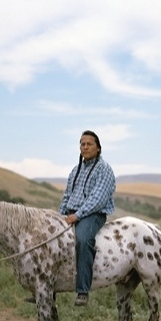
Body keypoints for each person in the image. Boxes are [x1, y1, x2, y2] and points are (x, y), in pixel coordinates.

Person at [59, 130, 116, 306]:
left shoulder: (104, 169)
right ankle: (48, 288)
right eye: (82, 144)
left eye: (89, 144)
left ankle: (83, 290)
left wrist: (78, 215)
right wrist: (59, 215)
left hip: (93, 214)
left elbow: (97, 199)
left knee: (83, 239)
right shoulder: (75, 170)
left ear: (98, 148)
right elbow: (67, 195)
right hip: (71, 213)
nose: (85, 147)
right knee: (50, 237)